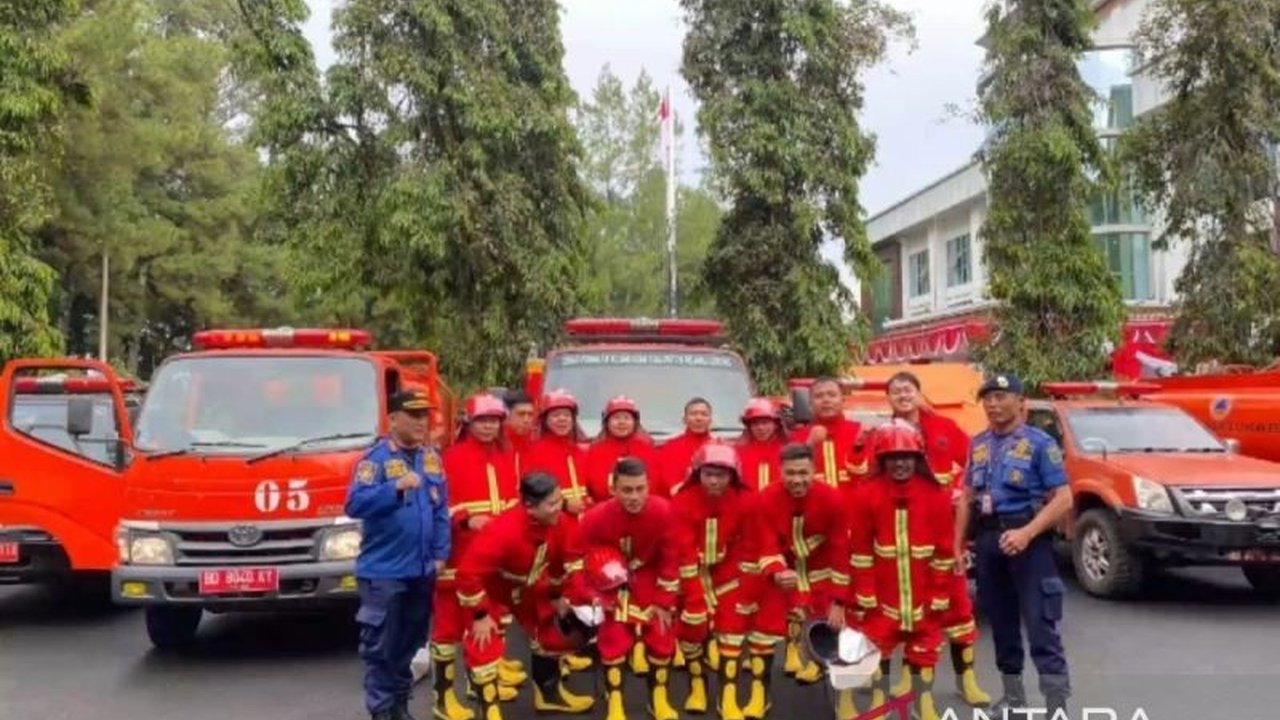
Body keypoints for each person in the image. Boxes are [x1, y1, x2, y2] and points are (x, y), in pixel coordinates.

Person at [955, 374, 1073, 716]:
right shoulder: (977, 443)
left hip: (1028, 540)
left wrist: (1027, 533)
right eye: (988, 398)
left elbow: (1063, 499)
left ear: (1020, 401)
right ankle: (1014, 698)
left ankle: (1056, 704)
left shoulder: (1040, 443)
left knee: (1040, 624)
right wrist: (958, 544)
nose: (993, 404)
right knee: (1002, 622)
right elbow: (966, 497)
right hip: (989, 540)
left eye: (1000, 397)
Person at [882, 372, 991, 707]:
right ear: (889, 399)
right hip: (903, 537)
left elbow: (974, 463)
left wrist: (965, 494)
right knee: (908, 613)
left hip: (946, 537)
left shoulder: (944, 428)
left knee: (959, 609)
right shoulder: (882, 434)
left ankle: (967, 679)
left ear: (918, 393)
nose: (902, 395)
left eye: (908, 389)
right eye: (896, 391)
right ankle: (907, 677)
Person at [345, 389, 451, 720]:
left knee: (409, 645)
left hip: (421, 571)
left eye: (425, 415)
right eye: (413, 415)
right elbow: (354, 504)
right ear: (393, 419)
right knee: (382, 650)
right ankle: (381, 712)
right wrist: (395, 487)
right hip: (384, 573)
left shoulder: (431, 457)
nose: (422, 422)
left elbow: (441, 510)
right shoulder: (374, 460)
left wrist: (440, 553)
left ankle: (400, 708)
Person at [455, 473, 594, 720]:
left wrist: (556, 596)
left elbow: (559, 564)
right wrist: (480, 614)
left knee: (550, 631)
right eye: (551, 504)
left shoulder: (560, 522)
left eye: (559, 500)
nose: (558, 508)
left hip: (530, 586)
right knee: (483, 644)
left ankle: (549, 696)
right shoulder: (503, 530)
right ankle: (491, 713)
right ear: (529, 506)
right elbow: (467, 574)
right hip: (493, 590)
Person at [849, 423, 957, 720]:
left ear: (917, 458)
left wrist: (939, 591)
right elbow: (859, 550)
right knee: (878, 646)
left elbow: (944, 550)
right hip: (883, 592)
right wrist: (865, 591)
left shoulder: (936, 494)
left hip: (924, 590)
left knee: (925, 648)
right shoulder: (866, 494)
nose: (899, 462)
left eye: (906, 456)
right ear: (881, 459)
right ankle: (880, 703)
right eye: (892, 456)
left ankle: (924, 703)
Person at [431, 394, 524, 720]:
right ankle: (443, 700)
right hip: (459, 554)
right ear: (468, 424)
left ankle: (482, 687)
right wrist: (467, 518)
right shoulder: (450, 458)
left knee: (487, 623)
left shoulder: (508, 455)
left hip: (496, 555)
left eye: (494, 420)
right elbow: (438, 506)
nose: (488, 426)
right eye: (482, 421)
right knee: (447, 631)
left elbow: (514, 500)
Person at [670, 443, 772, 720]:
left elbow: (750, 544)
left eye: (721, 474)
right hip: (690, 574)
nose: (714, 481)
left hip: (729, 572)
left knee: (733, 632)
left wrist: (747, 585)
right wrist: (693, 599)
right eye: (708, 474)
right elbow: (684, 552)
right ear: (697, 474)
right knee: (691, 632)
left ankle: (727, 697)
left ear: (733, 475)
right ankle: (697, 685)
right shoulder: (682, 501)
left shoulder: (747, 500)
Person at [578, 457, 685, 720]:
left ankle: (658, 698)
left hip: (649, 579)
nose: (634, 496)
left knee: (661, 638)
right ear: (613, 489)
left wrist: (664, 601)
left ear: (649, 486)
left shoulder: (665, 511)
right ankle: (615, 703)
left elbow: (671, 559)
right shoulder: (593, 518)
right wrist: (592, 595)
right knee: (613, 640)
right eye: (627, 490)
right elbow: (577, 559)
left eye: (640, 489)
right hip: (609, 584)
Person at [748, 443, 850, 716]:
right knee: (761, 634)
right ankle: (760, 694)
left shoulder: (832, 498)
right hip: (782, 575)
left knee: (837, 634)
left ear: (814, 471)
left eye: (803, 472)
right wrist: (777, 571)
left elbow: (841, 552)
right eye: (790, 473)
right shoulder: (765, 498)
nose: (797, 479)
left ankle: (843, 700)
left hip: (822, 573)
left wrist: (839, 602)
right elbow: (765, 544)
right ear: (780, 472)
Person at [791, 378, 867, 503]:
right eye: (819, 396)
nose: (826, 400)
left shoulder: (860, 432)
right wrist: (808, 445)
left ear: (843, 400)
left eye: (832, 395)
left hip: (855, 513)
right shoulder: (796, 437)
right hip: (813, 510)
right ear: (810, 403)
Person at [525, 389, 591, 521]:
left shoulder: (582, 451)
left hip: (584, 523)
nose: (562, 419)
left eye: (567, 415)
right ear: (545, 420)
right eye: (556, 415)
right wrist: (564, 504)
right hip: (552, 523)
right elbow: (531, 492)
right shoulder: (534, 451)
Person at [584, 395, 658, 503]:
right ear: (607, 423)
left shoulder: (647, 448)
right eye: (616, 418)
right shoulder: (595, 450)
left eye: (626, 418)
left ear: (635, 422)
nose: (621, 422)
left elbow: (655, 484)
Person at [656, 397, 715, 495]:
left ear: (710, 420)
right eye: (693, 414)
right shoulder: (670, 448)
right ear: (684, 419)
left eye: (704, 414)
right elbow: (669, 486)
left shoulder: (721, 447)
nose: (699, 418)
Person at [735, 398, 785, 491]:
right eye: (755, 424)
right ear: (749, 427)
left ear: (775, 424)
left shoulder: (786, 451)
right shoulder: (737, 452)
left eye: (765, 423)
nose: (760, 428)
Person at [502, 389, 536, 477]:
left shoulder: (535, 444)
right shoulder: (496, 445)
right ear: (506, 415)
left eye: (530, 414)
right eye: (521, 414)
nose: (526, 420)